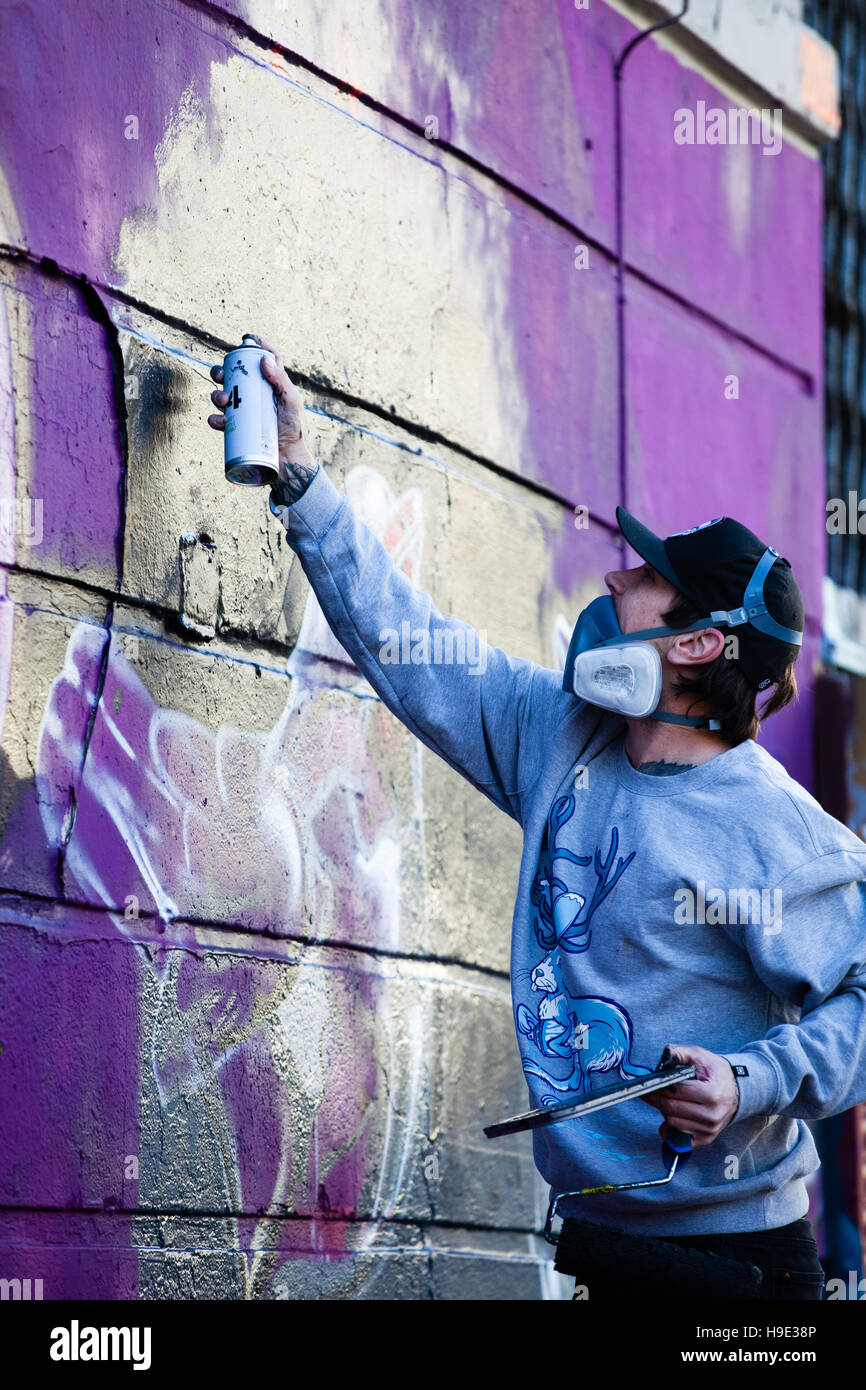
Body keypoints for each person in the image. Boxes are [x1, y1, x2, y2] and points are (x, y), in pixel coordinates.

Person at [208, 337, 866, 1301]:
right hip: (599, 1247)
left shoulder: (780, 832)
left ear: (694, 642)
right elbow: (409, 644)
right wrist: (301, 481)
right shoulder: (556, 736)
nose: (613, 582)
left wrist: (749, 1081)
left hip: (741, 1271)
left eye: (643, 574)